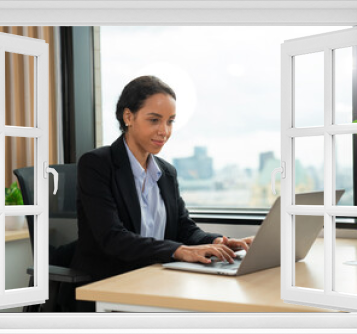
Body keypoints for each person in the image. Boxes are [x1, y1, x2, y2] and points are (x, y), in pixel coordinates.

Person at [69, 75, 254, 285]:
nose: (164, 131)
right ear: (128, 117)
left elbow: (184, 228)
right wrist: (179, 251)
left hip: (157, 277)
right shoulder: (97, 164)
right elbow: (112, 238)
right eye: (154, 120)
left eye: (170, 121)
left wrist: (220, 242)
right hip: (111, 281)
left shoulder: (166, 172)